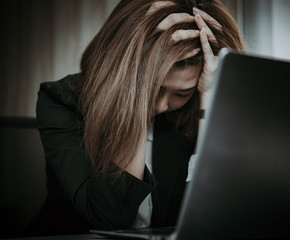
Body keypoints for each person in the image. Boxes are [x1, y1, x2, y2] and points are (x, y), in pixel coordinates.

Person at [25, 0, 245, 236]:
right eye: (154, 88)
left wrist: (210, 95)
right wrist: (136, 87)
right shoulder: (60, 101)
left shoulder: (192, 107)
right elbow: (109, 218)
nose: (161, 106)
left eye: (182, 92)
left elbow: (208, 214)